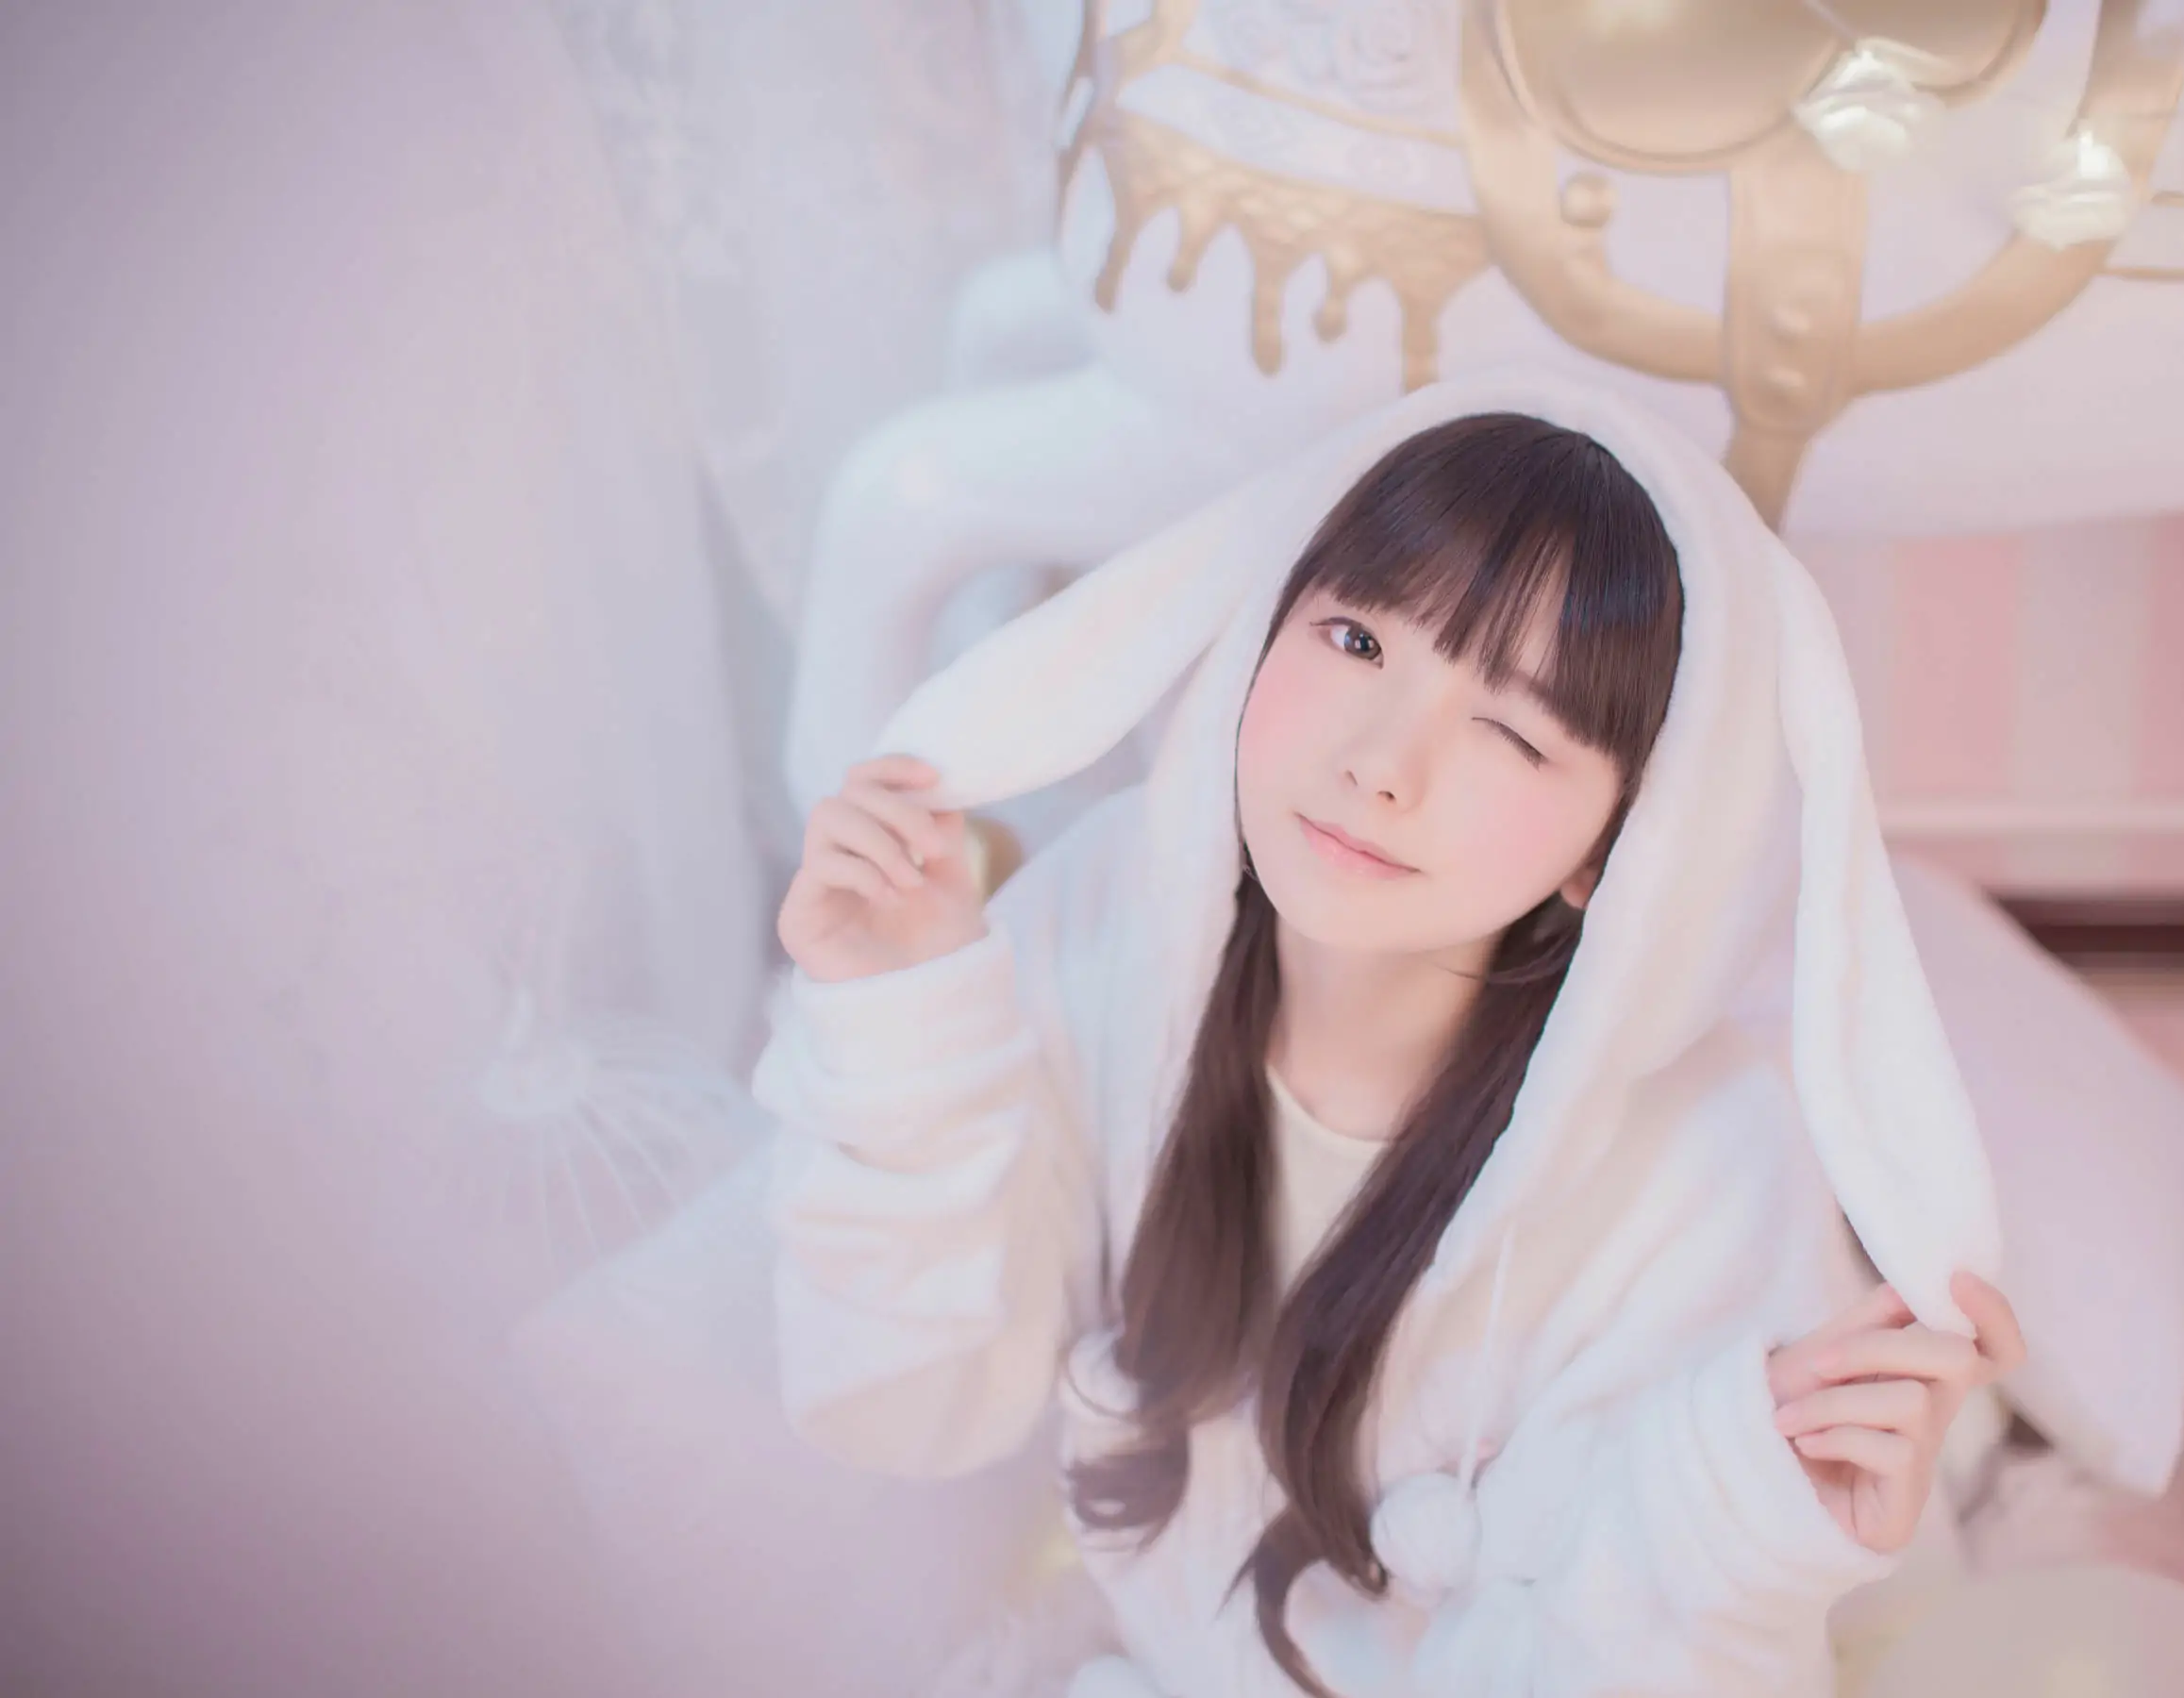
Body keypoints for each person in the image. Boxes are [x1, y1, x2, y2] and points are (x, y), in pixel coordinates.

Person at [755, 387, 2023, 1698]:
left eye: (1511, 730)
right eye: (1358, 640)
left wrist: (1731, 1515)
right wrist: (905, 1030)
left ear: (1614, 849)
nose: (1381, 766)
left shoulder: (1707, 1162)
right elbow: (906, 1410)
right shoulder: (1103, 926)